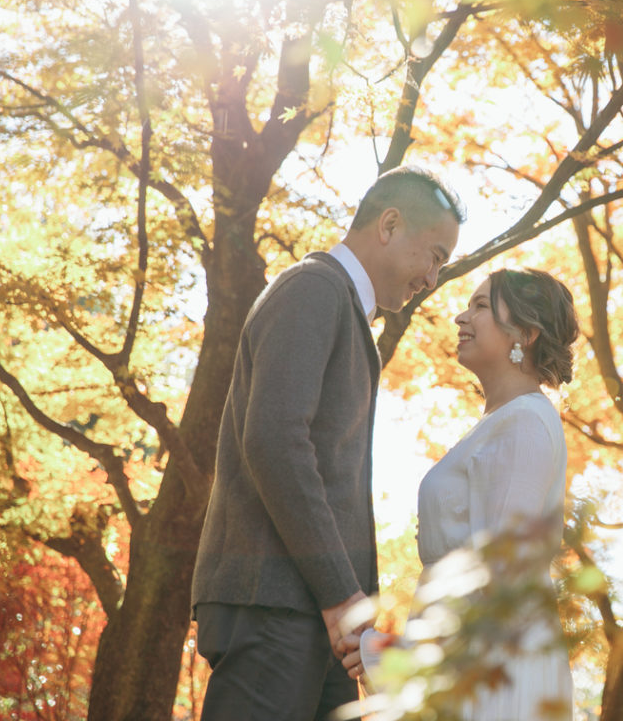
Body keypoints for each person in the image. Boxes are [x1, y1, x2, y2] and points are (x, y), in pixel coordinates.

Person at [191, 165, 465, 721]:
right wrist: (344, 596)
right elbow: (274, 441)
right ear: (389, 224)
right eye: (434, 255)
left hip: (311, 614)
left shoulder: (338, 305)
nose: (433, 278)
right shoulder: (313, 289)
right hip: (276, 602)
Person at [342, 267, 579, 721]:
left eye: (481, 306)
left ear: (525, 333)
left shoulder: (524, 423)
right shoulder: (498, 424)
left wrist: (387, 658)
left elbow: (499, 585)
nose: (459, 316)